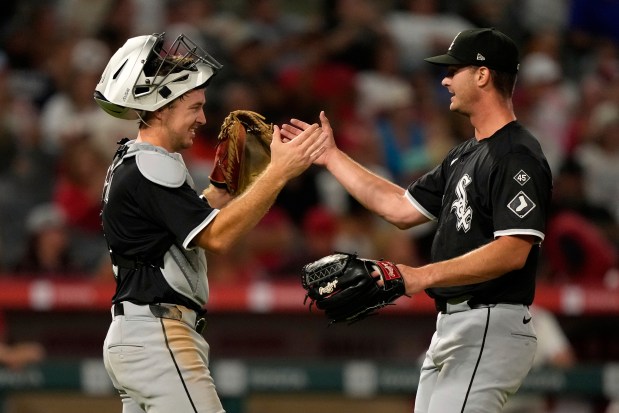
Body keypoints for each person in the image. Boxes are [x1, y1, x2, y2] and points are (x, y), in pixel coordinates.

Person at [283, 28, 553, 413]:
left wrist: (420, 276)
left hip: (491, 323)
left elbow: (512, 252)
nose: (444, 79)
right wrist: (331, 156)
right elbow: (400, 208)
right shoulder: (465, 154)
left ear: (482, 74)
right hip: (455, 326)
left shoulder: (517, 154)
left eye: (453, 69)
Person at [94, 32, 326, 413]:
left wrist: (221, 188)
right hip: (158, 335)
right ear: (162, 105)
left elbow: (183, 225)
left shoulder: (135, 161)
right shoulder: (152, 163)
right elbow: (217, 237)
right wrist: (278, 173)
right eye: (194, 107)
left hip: (138, 334)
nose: (203, 118)